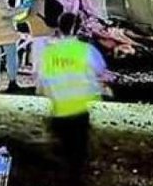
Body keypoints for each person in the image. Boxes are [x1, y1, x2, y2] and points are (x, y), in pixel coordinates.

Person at [36, 12, 107, 177]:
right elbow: (100, 69)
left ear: (59, 28)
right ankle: (75, 178)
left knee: (63, 147)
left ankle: (64, 175)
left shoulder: (49, 53)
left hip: (59, 108)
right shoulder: (85, 50)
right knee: (78, 149)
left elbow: (41, 79)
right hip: (79, 109)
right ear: (77, 28)